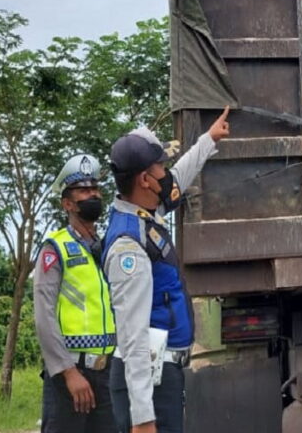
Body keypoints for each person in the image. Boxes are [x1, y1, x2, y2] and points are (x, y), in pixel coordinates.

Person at [104, 108, 230, 433]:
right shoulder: (128, 245)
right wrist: (143, 417)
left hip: (160, 376)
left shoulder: (146, 212)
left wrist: (209, 139)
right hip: (148, 382)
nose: (166, 172)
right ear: (145, 180)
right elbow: (132, 336)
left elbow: (179, 179)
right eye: (160, 166)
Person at [34, 154, 117, 433]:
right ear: (67, 203)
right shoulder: (54, 249)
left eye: (95, 189)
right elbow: (43, 316)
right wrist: (68, 372)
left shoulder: (107, 248)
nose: (92, 195)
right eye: (83, 190)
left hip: (107, 374)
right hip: (71, 374)